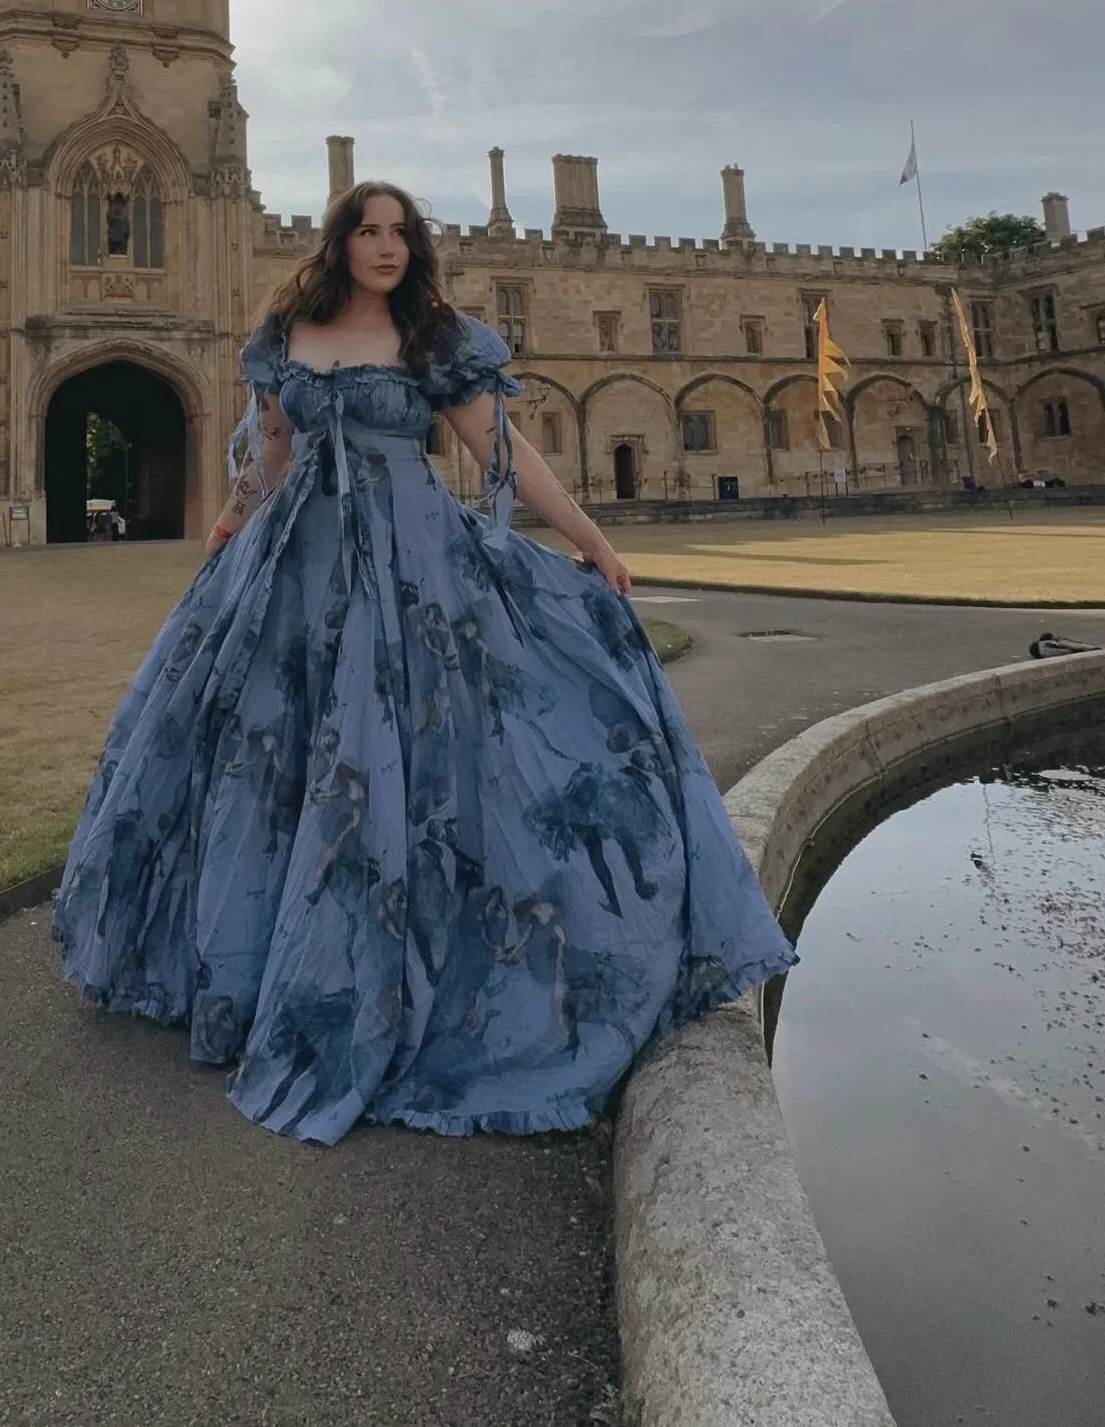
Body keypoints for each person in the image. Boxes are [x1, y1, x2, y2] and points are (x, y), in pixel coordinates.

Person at [52, 183, 797, 1144]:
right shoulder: (289, 328)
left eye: (401, 232)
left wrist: (591, 536)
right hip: (297, 566)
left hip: (409, 564)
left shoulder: (433, 338)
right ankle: (253, 971)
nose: (387, 247)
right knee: (266, 757)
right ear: (341, 242)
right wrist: (236, 518)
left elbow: (502, 447)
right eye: (369, 231)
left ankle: (398, 976)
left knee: (401, 758)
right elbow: (274, 443)